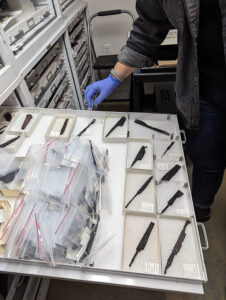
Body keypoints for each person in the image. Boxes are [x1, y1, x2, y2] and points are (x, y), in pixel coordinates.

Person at [85, 0, 226, 222]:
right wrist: (113, 78)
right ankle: (200, 209)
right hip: (204, 86)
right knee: (206, 156)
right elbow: (147, 28)